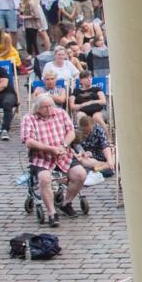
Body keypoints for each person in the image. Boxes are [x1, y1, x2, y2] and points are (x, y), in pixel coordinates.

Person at [22, 92, 87, 224]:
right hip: (42, 156)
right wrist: (50, 149)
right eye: (45, 107)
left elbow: (71, 132)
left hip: (63, 153)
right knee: (44, 179)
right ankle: (52, 213)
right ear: (37, 108)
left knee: (80, 174)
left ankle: (66, 203)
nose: (49, 109)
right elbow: (28, 141)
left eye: (50, 105)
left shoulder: (61, 113)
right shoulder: (29, 118)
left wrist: (63, 145)